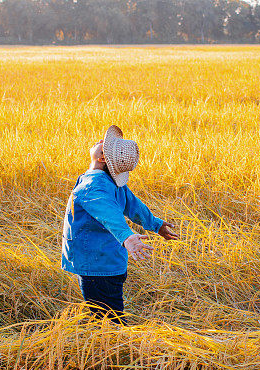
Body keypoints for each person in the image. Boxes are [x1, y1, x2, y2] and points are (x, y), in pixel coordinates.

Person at [61, 125, 179, 324]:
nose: (100, 141)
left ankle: (117, 347)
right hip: (110, 261)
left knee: (107, 319)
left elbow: (108, 213)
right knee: (109, 311)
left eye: (104, 145)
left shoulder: (92, 185)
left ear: (102, 158)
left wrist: (126, 236)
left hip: (97, 264)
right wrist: (155, 224)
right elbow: (134, 206)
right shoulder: (110, 182)